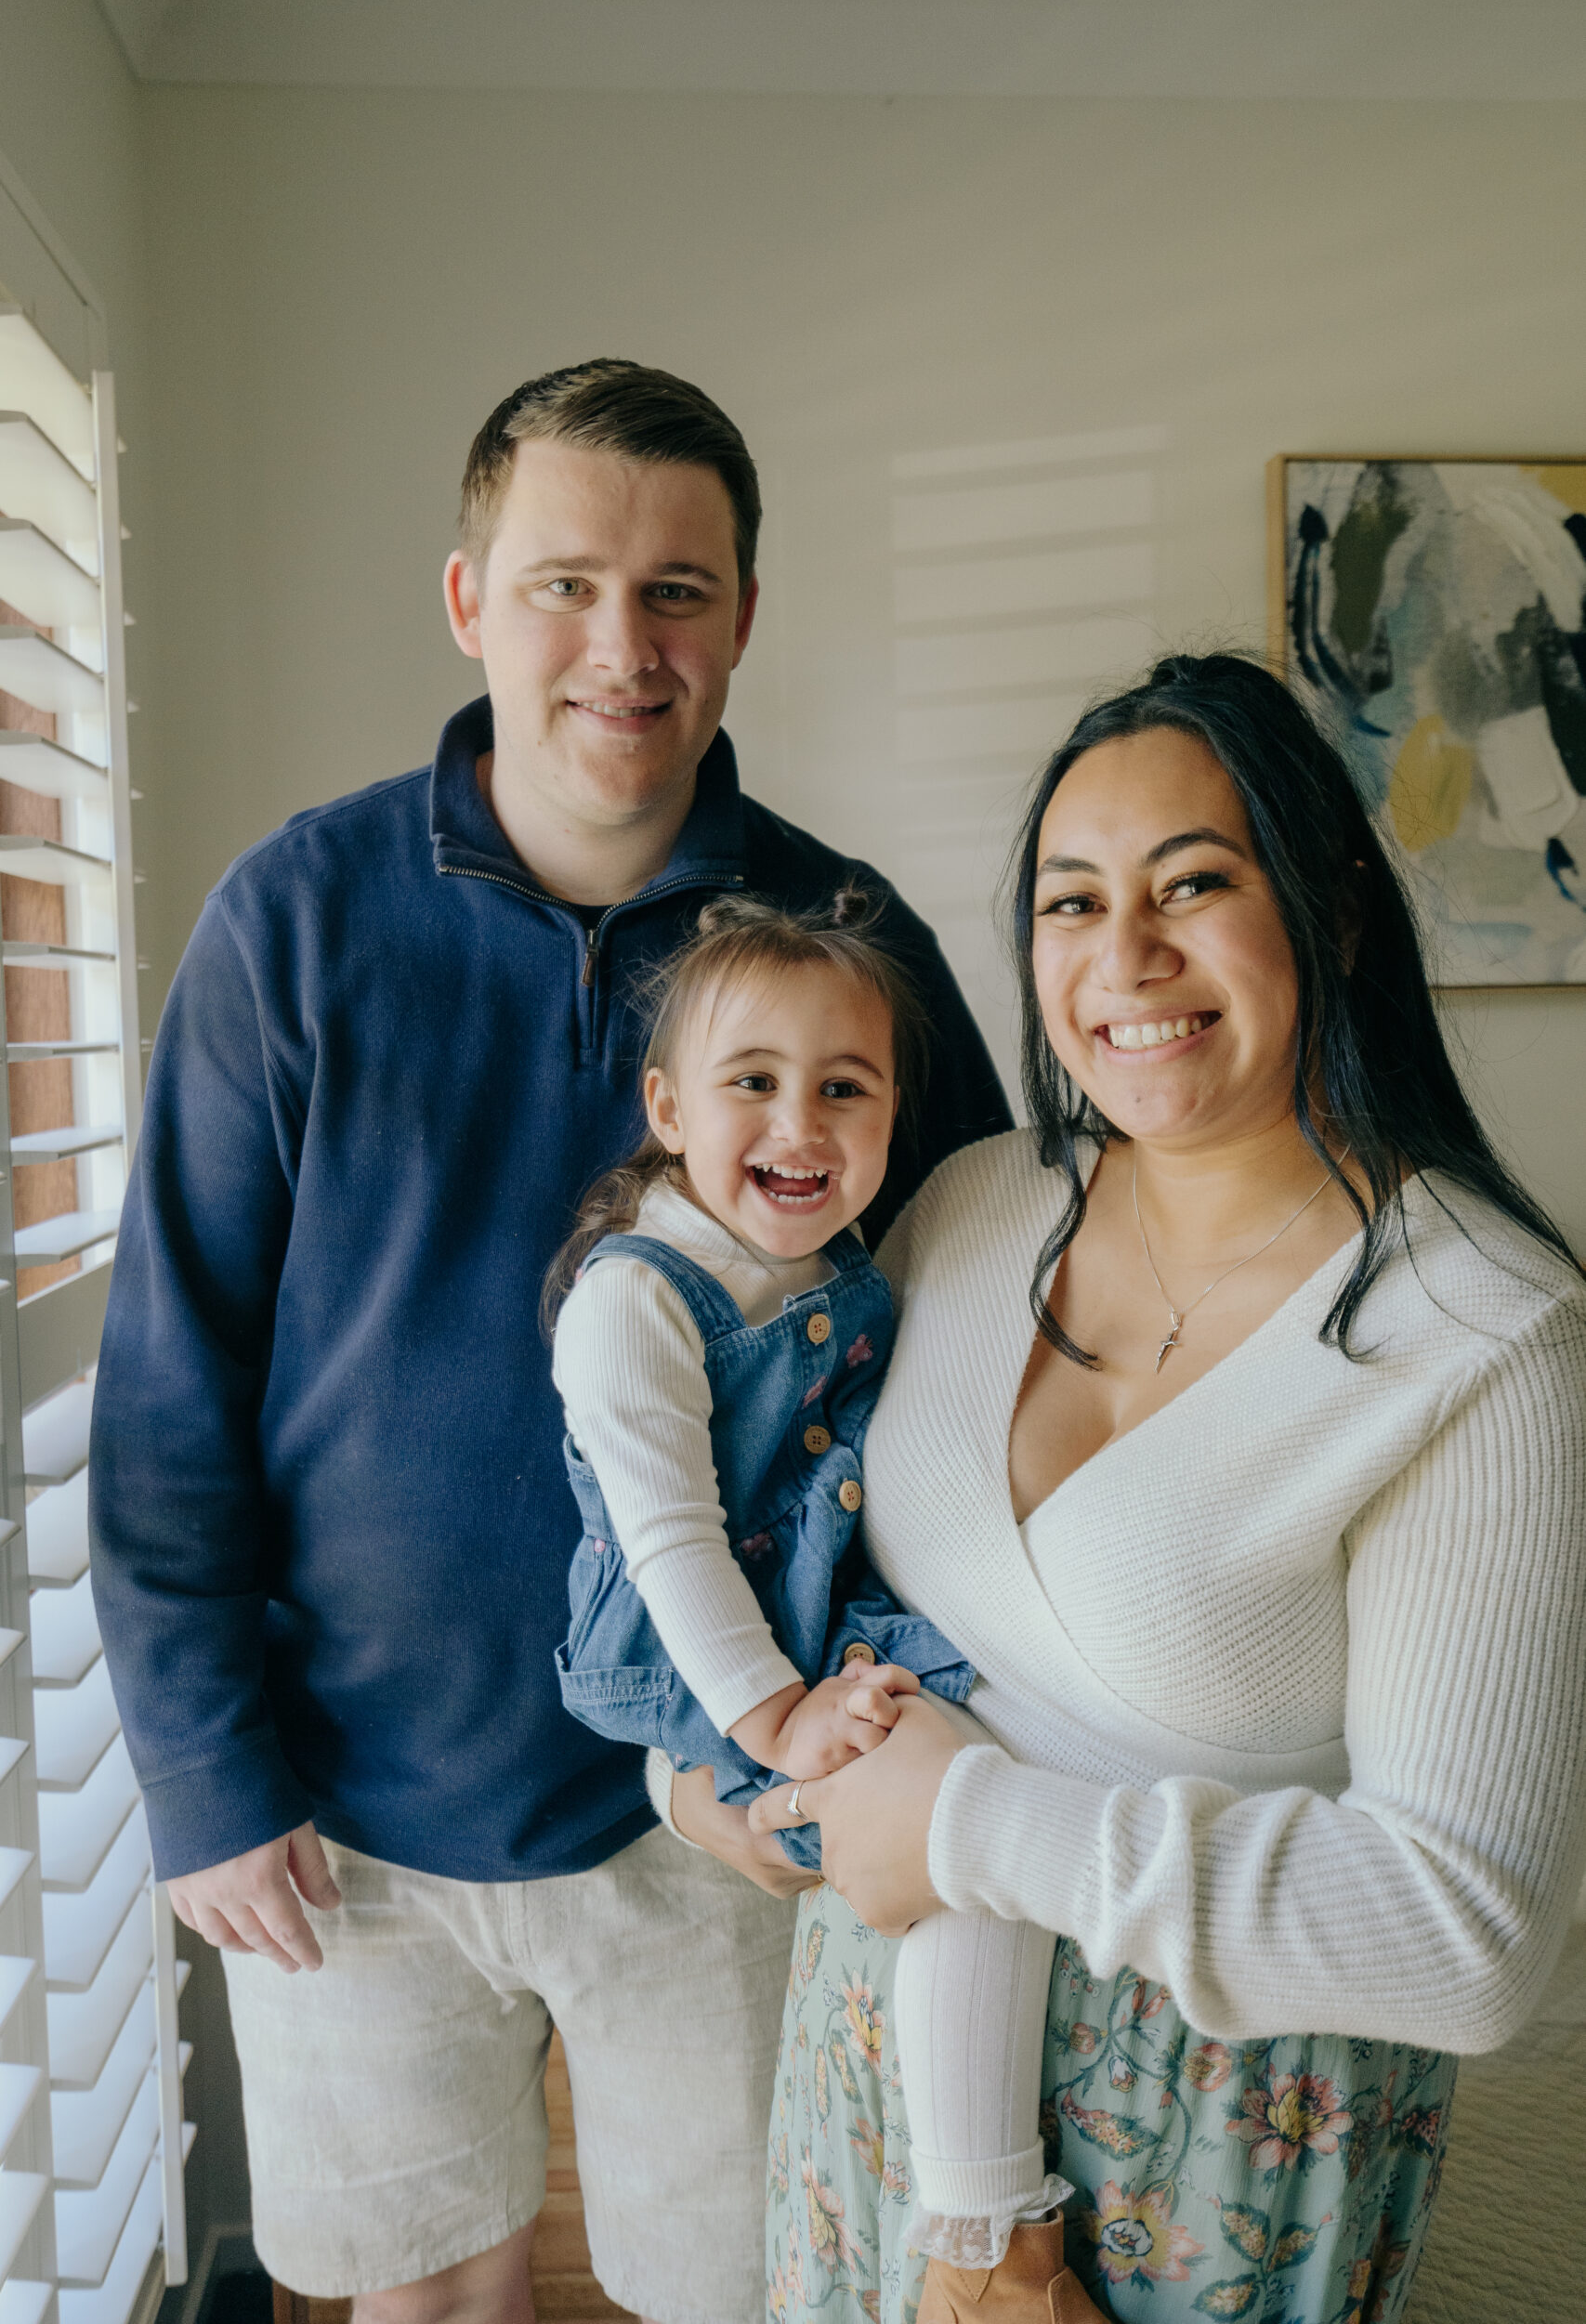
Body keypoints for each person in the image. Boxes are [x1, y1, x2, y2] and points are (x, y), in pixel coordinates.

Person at [87, 359, 1010, 2324]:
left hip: (719, 1803)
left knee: (751, 2291)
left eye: (678, 590)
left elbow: (981, 1324)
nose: (623, 644)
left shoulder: (850, 943)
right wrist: (198, 1763)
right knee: (421, 2300)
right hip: (352, 1804)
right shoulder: (296, 919)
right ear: (464, 599)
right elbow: (174, 1374)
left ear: (743, 618)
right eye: (565, 582)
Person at [686, 650, 1583, 2323]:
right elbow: (760, 1527)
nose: (1126, 959)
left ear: (1332, 915)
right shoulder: (964, 1208)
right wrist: (706, 1783)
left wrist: (962, 1823)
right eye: (1071, 901)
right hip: (871, 2106)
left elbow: (1475, 1936)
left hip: (1209, 2174)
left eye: (1195, 886)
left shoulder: (1481, 1334)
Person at [545, 891, 1093, 2323]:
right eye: (754, 1086)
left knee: (994, 1759)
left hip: (803, 1622)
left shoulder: (841, 1264)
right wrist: (776, 1718)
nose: (802, 1125)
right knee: (948, 1818)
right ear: (666, 1107)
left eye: (844, 1089)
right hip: (698, 1659)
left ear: (894, 1111)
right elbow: (668, 1542)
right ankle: (983, 2231)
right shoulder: (637, 1296)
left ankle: (964, 2192)